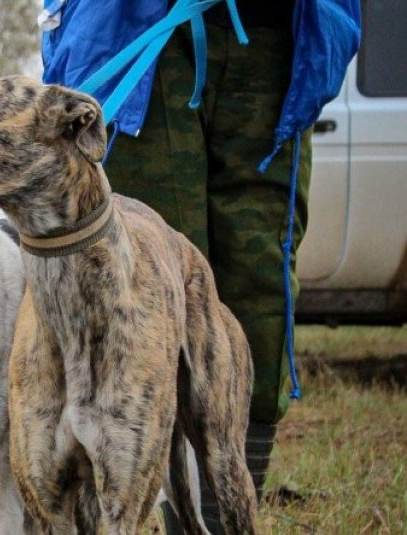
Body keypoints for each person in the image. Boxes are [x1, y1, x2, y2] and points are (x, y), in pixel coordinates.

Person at [39, 0, 360, 532]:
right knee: (147, 295)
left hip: (281, 34)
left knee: (258, 285)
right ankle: (173, 513)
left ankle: (230, 510)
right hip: (132, 29)